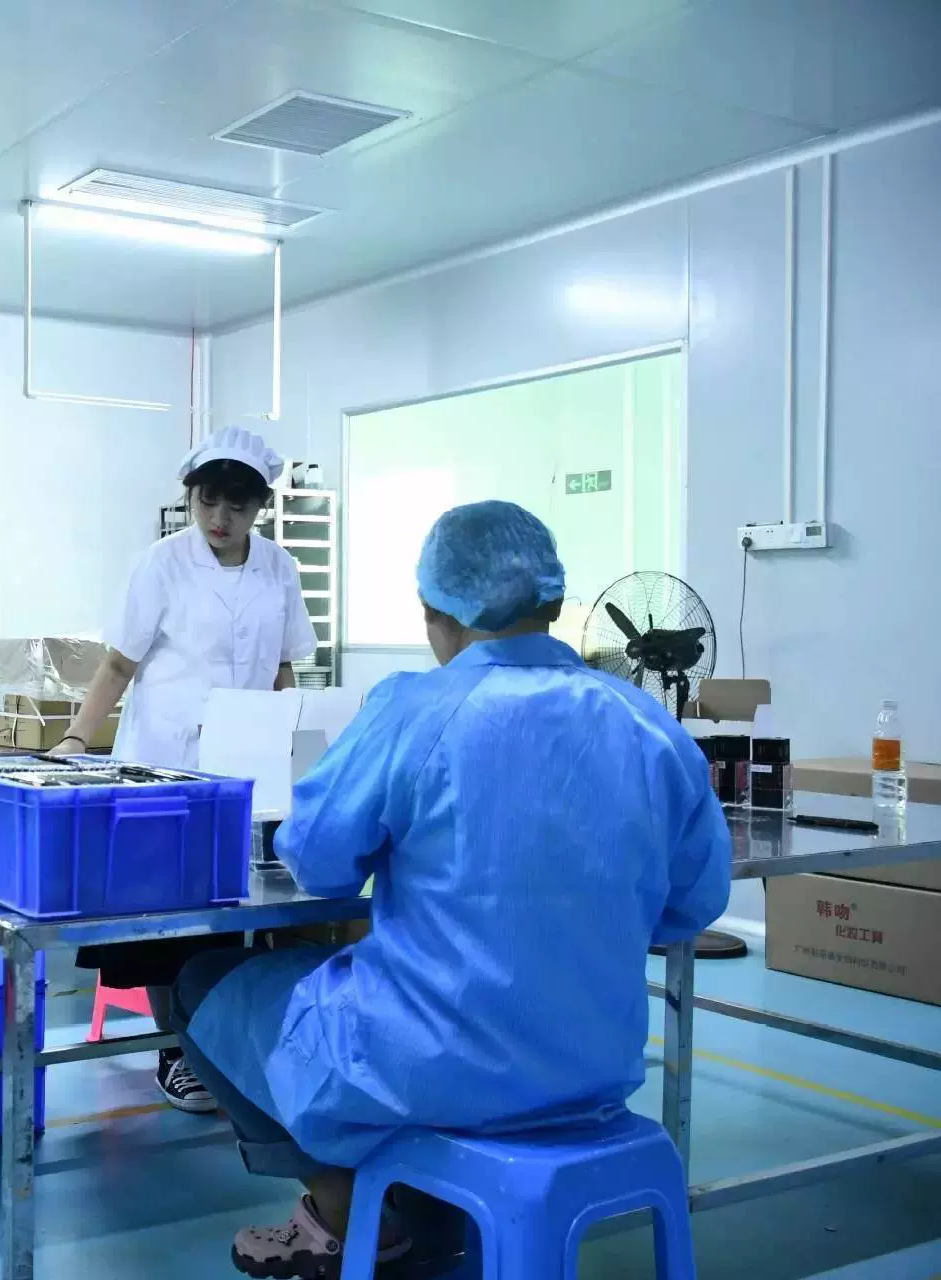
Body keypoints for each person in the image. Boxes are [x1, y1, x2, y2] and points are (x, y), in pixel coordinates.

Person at [166, 499, 732, 1277]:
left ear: (437, 613)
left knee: (204, 983)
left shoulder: (415, 709)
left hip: (430, 1068)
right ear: (554, 604)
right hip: (592, 1069)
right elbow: (692, 904)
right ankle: (424, 1208)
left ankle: (343, 1213)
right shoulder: (647, 725)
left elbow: (319, 861)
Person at [56, 426, 316, 1113]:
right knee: (165, 920)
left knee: (236, 914)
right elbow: (119, 663)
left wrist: (294, 747)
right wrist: (78, 738)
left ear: (260, 506)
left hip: (245, 771)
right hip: (164, 765)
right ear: (192, 498)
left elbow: (283, 669)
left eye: (237, 504)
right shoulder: (162, 563)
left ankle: (227, 1047)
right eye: (208, 501)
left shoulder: (280, 568)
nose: (219, 517)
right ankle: (177, 1052)